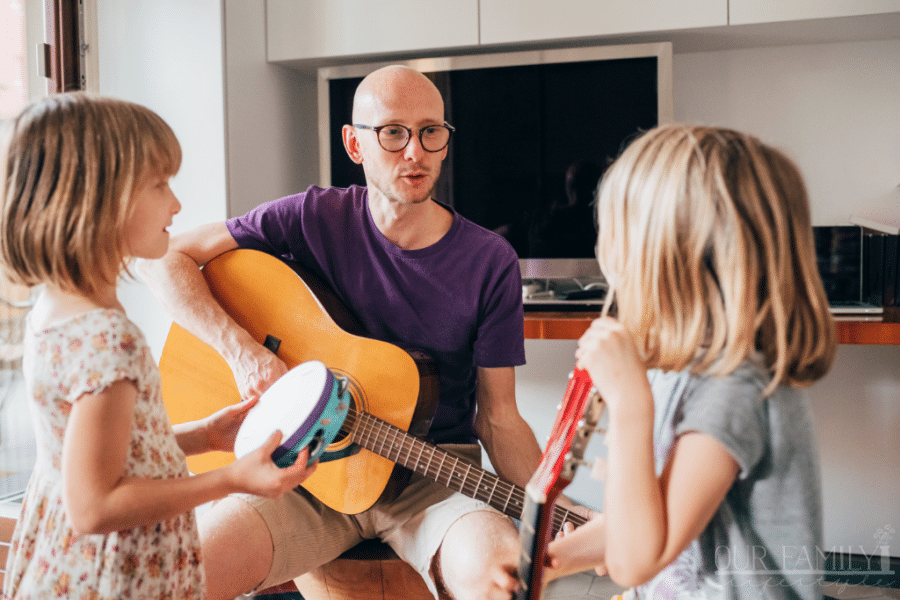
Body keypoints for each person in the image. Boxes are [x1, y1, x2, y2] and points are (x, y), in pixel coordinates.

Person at [139, 65, 589, 600]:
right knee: (174, 580)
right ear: (354, 144)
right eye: (393, 132)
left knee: (500, 578)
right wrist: (239, 351)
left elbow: (499, 418)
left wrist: (546, 506)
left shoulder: (489, 261)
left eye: (430, 132)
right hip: (305, 475)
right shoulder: (312, 216)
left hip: (432, 474)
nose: (415, 152)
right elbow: (164, 259)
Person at [0, 93, 318, 600]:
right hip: (116, 576)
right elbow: (96, 506)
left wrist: (202, 436)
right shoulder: (109, 339)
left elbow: (94, 454)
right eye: (159, 184)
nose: (176, 204)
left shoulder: (55, 310)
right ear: (100, 199)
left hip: (65, 565)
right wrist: (234, 479)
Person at [544, 124, 837, 599]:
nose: (603, 247)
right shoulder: (679, 369)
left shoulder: (734, 390)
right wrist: (545, 562)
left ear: (664, 253)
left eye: (616, 230)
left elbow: (634, 559)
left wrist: (629, 403)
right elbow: (650, 518)